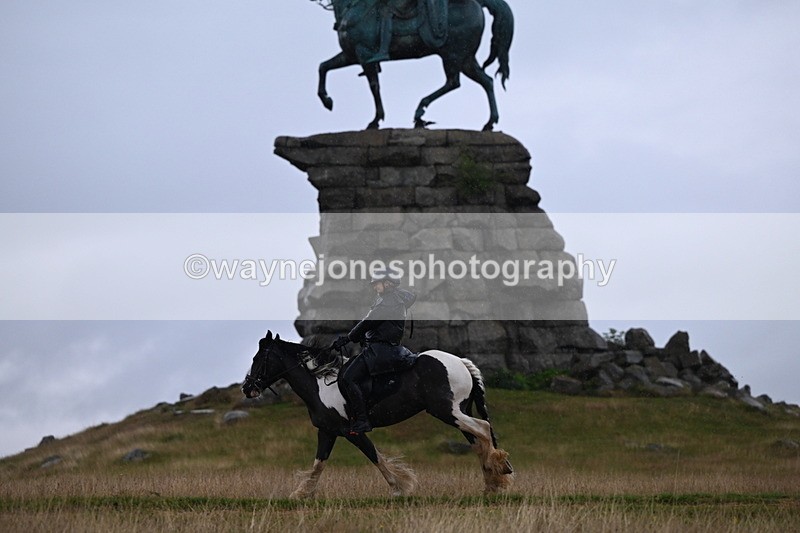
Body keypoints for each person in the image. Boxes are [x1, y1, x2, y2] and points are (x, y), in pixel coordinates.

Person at [331, 269, 417, 435]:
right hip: (387, 349)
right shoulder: (395, 298)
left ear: (388, 283)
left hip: (380, 351)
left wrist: (347, 338)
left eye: (377, 284)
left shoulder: (388, 302)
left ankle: (362, 420)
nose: (374, 287)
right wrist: (363, 337)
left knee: (349, 378)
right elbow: (377, 326)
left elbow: (367, 322)